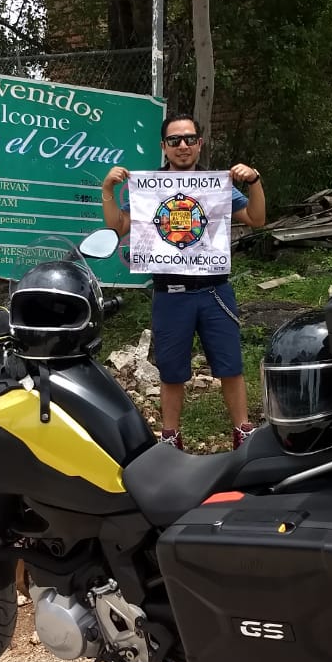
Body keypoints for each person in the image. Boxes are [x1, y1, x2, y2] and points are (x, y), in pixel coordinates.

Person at [101, 112, 266, 450]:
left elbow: (256, 219)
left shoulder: (215, 184)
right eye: (174, 140)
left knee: (230, 364)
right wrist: (108, 190)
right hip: (170, 292)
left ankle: (243, 431)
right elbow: (118, 227)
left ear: (199, 143)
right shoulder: (148, 187)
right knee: (171, 370)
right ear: (164, 146)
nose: (183, 146)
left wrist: (255, 181)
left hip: (214, 289)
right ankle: (171, 437)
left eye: (189, 138)